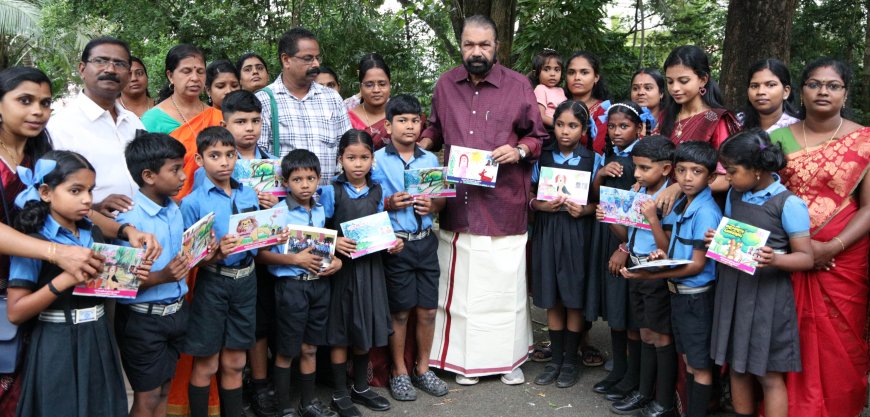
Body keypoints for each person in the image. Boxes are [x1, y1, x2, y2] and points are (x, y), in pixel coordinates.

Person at [418, 14, 545, 386]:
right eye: (469, 45)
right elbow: (435, 128)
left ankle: (508, 361)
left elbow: (537, 137)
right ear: (461, 45)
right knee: (461, 292)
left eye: (484, 45)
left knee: (505, 291)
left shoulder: (519, 85)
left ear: (496, 47)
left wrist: (519, 149)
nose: (477, 52)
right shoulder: (445, 84)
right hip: (458, 203)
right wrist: (421, 145)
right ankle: (461, 363)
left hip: (503, 203)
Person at [7, 150, 150, 417]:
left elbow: (104, 287)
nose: (87, 199)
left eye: (90, 191)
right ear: (46, 192)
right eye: (75, 191)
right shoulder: (34, 242)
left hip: (97, 334)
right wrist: (64, 279)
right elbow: (16, 312)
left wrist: (130, 275)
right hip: (55, 341)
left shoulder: (91, 232)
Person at [769, 57, 870, 417]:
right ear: (801, 91)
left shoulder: (866, 140)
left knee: (839, 339)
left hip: (844, 256)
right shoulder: (777, 139)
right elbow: (764, 197)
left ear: (845, 93)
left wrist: (830, 246)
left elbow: (868, 208)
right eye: (814, 84)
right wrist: (799, 247)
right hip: (788, 253)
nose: (823, 91)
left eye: (833, 85)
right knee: (787, 335)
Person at [710, 129, 814, 417]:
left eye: (731, 171)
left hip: (767, 299)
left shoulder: (788, 204)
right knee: (737, 366)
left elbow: (805, 258)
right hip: (733, 290)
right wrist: (717, 239)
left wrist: (775, 259)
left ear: (756, 170)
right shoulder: (735, 193)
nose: (727, 178)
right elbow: (734, 235)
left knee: (767, 373)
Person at [620, 141, 723, 417]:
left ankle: (672, 405)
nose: (687, 178)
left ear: (711, 177)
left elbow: (697, 265)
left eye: (696, 171)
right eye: (682, 171)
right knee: (689, 360)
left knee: (698, 364)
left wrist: (656, 271)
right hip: (679, 291)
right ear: (673, 173)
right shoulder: (683, 204)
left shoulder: (706, 211)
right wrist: (659, 257)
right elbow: (672, 249)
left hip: (695, 295)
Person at [116, 133, 213, 417]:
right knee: (146, 397)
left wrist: (204, 249)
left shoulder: (174, 209)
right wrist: (162, 277)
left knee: (165, 389)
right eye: (175, 169)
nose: (184, 176)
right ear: (148, 175)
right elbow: (120, 281)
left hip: (177, 312)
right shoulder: (130, 221)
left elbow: (183, 258)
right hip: (142, 320)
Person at [180, 127, 265, 417]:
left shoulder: (248, 192)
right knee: (207, 363)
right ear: (200, 159)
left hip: (247, 279)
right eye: (214, 155)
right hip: (213, 283)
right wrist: (215, 253)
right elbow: (190, 260)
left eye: (230, 154)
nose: (224, 162)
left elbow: (258, 236)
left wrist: (271, 232)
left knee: (236, 362)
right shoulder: (192, 202)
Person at [370, 95, 449, 401]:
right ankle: (399, 370)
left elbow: (442, 199)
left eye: (415, 120)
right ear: (388, 125)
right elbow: (366, 201)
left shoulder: (430, 161)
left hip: (425, 241)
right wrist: (388, 203)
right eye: (402, 120)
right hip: (397, 244)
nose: (410, 126)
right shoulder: (376, 159)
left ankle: (423, 367)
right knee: (400, 312)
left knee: (428, 309)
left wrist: (434, 203)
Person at [318, 129, 402, 417]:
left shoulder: (378, 190)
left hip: (371, 268)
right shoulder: (331, 191)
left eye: (364, 157)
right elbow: (319, 226)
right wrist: (333, 241)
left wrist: (394, 241)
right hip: (342, 270)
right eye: (351, 157)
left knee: (363, 325)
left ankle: (361, 387)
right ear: (340, 159)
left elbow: (382, 226)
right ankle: (340, 393)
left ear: (372, 160)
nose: (358, 164)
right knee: (341, 329)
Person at [254, 149, 342, 417]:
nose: (305, 185)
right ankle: (284, 408)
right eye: (298, 179)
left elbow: (326, 246)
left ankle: (309, 402)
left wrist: (336, 262)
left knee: (310, 347)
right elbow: (260, 255)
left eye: (311, 178)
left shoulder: (321, 208)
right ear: (285, 182)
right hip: (291, 288)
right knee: (286, 349)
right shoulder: (277, 213)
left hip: (319, 285)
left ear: (318, 180)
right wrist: (295, 260)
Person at [602, 135, 676, 416]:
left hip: (656, 272)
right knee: (645, 333)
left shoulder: (667, 200)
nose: (637, 174)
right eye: (636, 167)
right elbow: (628, 236)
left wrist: (652, 217)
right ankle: (643, 392)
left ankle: (662, 400)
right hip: (636, 268)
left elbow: (666, 247)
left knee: (660, 336)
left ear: (666, 169)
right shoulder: (640, 191)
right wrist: (610, 219)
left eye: (645, 168)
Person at [529, 100, 600, 389]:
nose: (565, 131)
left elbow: (602, 203)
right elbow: (530, 195)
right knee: (552, 295)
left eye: (572, 126)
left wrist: (585, 210)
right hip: (548, 230)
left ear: (583, 129)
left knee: (573, 296)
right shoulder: (542, 157)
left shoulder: (593, 159)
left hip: (577, 232)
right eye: (559, 124)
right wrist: (539, 206)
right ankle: (556, 359)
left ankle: (571, 360)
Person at [218, 89, 280, 417]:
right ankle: (242, 382)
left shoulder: (273, 162)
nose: (249, 128)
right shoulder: (221, 165)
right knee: (246, 322)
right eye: (240, 121)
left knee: (266, 321)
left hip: (272, 254)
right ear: (224, 123)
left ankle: (262, 382)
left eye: (255, 121)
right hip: (236, 260)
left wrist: (278, 203)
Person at [47, 36, 143, 219]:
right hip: (93, 235)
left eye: (120, 64)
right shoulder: (60, 127)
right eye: (101, 61)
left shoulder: (133, 121)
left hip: (144, 230)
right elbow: (51, 195)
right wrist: (95, 208)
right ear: (82, 69)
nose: (110, 69)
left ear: (128, 74)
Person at [589, 102, 645, 402]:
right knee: (615, 305)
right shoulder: (609, 155)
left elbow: (641, 210)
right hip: (607, 237)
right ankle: (619, 369)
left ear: (639, 127)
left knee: (631, 309)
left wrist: (625, 247)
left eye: (623, 126)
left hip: (630, 244)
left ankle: (633, 376)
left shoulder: (642, 159)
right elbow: (597, 194)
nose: (616, 132)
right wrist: (601, 173)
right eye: (611, 127)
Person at [256, 27, 351, 184]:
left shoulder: (332, 98)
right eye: (308, 58)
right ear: (286, 60)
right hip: (283, 204)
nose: (315, 64)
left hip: (329, 202)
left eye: (317, 58)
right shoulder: (264, 100)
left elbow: (347, 149)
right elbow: (259, 157)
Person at [656, 45, 740, 214]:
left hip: (700, 211)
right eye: (670, 81)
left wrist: (679, 187)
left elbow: (726, 178)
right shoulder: (665, 117)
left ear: (703, 79)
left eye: (683, 81)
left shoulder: (715, 120)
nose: (674, 88)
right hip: (660, 206)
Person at [143, 44, 221, 201]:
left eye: (200, 71)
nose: (195, 78)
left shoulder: (218, 117)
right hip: (170, 206)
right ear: (170, 76)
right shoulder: (152, 120)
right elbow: (145, 173)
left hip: (217, 201)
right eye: (186, 71)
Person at [564, 51, 610, 154]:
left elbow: (598, 150)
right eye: (571, 72)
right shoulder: (558, 105)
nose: (577, 78)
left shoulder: (603, 110)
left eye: (584, 72)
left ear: (596, 77)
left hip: (591, 166)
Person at [348, 53, 392, 149]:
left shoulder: (401, 115)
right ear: (360, 87)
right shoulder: (348, 119)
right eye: (369, 85)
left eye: (382, 84)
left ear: (390, 85)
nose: (376, 90)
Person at [742, 59, 799, 132]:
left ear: (786, 91)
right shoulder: (735, 124)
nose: (760, 91)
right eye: (754, 86)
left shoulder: (798, 129)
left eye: (771, 85)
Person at [531, 49, 567, 129]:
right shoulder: (540, 89)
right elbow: (541, 116)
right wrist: (560, 125)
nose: (552, 74)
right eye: (546, 69)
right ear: (536, 72)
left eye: (557, 70)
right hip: (549, 130)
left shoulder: (560, 90)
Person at [630, 68, 665, 134]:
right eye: (635, 88)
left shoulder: (674, 121)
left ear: (661, 93)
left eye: (648, 88)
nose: (640, 92)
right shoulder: (623, 119)